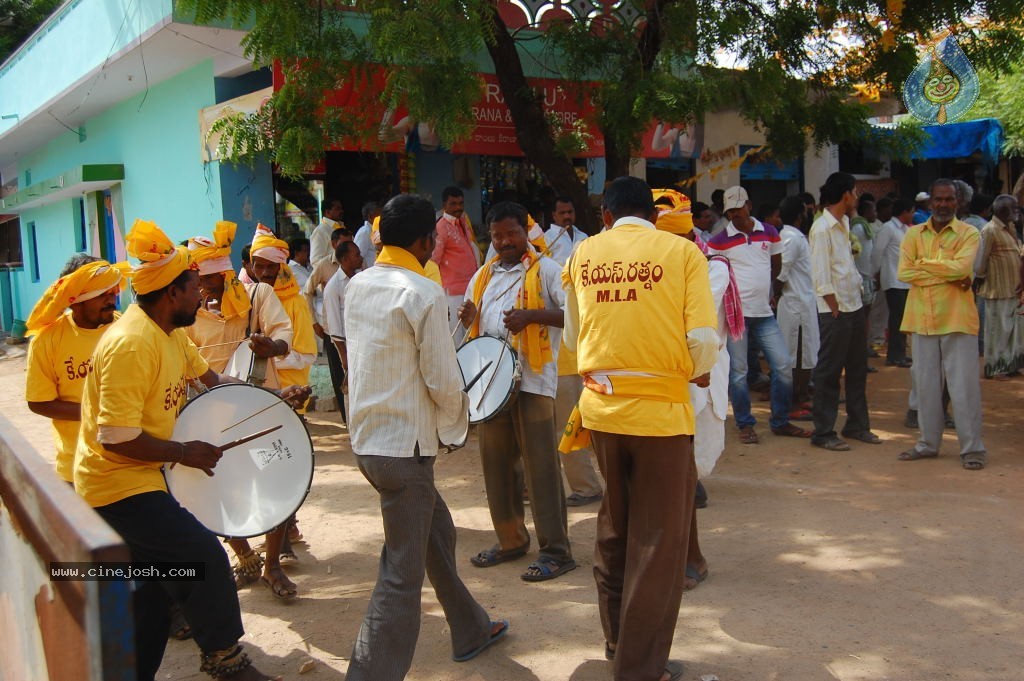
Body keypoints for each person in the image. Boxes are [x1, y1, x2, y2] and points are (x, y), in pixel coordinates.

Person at [74, 219, 301, 681]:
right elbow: (114, 437)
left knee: (157, 590)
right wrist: (183, 451)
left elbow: (214, 382)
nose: (203, 295)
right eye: (195, 287)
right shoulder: (132, 344)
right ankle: (224, 659)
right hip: (115, 486)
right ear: (171, 293)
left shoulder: (171, 333)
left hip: (147, 475)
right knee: (203, 557)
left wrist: (271, 402)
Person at [343, 194, 508, 681]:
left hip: (371, 443)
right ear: (424, 241)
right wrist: (458, 423)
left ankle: (471, 627)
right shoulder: (422, 291)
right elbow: (441, 376)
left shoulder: (359, 285)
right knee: (400, 575)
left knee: (437, 533)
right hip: (405, 451)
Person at [562, 176, 717, 681]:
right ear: (651, 216)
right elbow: (702, 341)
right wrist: (697, 367)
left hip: (601, 412)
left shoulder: (583, 254)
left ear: (606, 215)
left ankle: (616, 642)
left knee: (615, 525)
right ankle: (639, 668)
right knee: (658, 543)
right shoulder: (682, 253)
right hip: (662, 415)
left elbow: (571, 336)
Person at [458, 201, 575, 581]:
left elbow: (577, 315)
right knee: (496, 464)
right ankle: (510, 539)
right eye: (497, 235)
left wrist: (533, 316)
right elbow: (477, 324)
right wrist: (469, 318)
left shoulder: (548, 271)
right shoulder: (483, 276)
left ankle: (556, 550)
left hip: (533, 381)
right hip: (491, 383)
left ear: (526, 232)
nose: (505, 241)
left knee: (540, 465)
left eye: (512, 233)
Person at [185, 222, 298, 600]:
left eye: (209, 279)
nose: (203, 287)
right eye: (197, 280)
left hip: (261, 408)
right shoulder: (188, 313)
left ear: (222, 274)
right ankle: (245, 557)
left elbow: (285, 333)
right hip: (211, 415)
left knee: (275, 479)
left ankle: (273, 566)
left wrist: (274, 347)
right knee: (219, 487)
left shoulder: (258, 295)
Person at [897, 179, 987, 470]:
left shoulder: (970, 233)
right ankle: (927, 444)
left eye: (949, 199)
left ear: (958, 202)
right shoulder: (913, 235)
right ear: (930, 202)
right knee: (925, 386)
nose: (944, 204)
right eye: (938, 199)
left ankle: (972, 449)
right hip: (921, 319)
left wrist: (923, 265)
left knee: (964, 388)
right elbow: (903, 272)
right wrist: (948, 274)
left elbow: (963, 268)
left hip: (957, 319)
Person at [707, 185, 809, 443]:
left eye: (738, 209)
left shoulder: (770, 232)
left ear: (749, 206)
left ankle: (780, 420)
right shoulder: (718, 241)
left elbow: (776, 264)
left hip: (764, 313)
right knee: (739, 372)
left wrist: (770, 291)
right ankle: (745, 424)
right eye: (730, 211)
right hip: (737, 317)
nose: (735, 215)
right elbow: (712, 274)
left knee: (783, 366)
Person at [250, 224, 318, 570]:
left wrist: (270, 353)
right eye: (258, 266)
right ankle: (276, 535)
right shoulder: (241, 298)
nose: (264, 274)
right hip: (251, 399)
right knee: (261, 468)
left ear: (280, 268)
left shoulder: (294, 302)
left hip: (288, 399)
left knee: (284, 466)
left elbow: (306, 354)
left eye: (270, 268)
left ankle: (284, 532)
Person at [26, 254, 124, 482]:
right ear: (76, 300)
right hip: (77, 468)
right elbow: (38, 402)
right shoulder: (47, 340)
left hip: (132, 466)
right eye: (102, 294)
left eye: (113, 292)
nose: (112, 300)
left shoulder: (127, 329)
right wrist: (97, 413)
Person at [808, 172, 880, 451]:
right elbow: (821, 274)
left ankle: (857, 425)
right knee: (829, 371)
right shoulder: (822, 228)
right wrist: (835, 308)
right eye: (855, 192)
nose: (857, 197)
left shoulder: (844, 223)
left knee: (857, 368)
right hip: (834, 310)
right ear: (846, 194)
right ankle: (823, 431)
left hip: (853, 305)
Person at [542, 196, 603, 507]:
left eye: (570, 211)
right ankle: (537, 489)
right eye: (561, 212)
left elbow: (571, 311)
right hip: (535, 363)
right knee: (540, 431)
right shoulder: (542, 247)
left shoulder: (561, 262)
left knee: (569, 426)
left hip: (565, 358)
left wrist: (531, 315)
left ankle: (586, 487)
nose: (567, 216)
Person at [302, 227, 351, 421]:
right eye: (343, 244)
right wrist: (313, 321)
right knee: (339, 374)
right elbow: (307, 291)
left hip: (354, 328)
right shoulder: (324, 265)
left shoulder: (358, 263)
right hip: (332, 329)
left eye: (351, 244)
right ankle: (346, 418)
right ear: (333, 244)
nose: (348, 248)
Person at [776, 196, 819, 413]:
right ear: (799, 215)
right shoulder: (791, 239)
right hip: (796, 306)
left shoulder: (794, 237)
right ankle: (793, 401)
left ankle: (800, 396)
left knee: (805, 354)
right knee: (797, 355)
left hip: (803, 303)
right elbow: (781, 274)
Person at [974, 194, 1023, 379]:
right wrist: (981, 278)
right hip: (997, 289)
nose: (1017, 211)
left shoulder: (1010, 228)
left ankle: (1010, 365)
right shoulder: (989, 230)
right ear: (1002, 210)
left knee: (1013, 330)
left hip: (1014, 289)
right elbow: (980, 262)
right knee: (997, 331)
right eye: (1014, 208)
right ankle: (994, 368)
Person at [322, 240, 364, 411]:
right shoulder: (333, 287)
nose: (360, 258)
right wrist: (344, 357)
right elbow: (334, 327)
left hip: (365, 342)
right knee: (353, 394)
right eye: (357, 255)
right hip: (350, 346)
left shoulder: (361, 278)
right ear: (346, 259)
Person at [432, 186, 482, 331]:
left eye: (461, 203)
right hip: (453, 292)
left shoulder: (463, 221)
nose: (458, 207)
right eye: (453, 204)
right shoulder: (441, 227)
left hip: (469, 287)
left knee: (469, 331)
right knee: (456, 334)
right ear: (444, 205)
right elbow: (434, 261)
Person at [871, 198, 914, 367]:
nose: (912, 215)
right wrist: (875, 274)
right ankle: (895, 356)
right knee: (897, 318)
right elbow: (877, 252)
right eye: (911, 211)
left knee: (902, 318)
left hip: (904, 280)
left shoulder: (904, 229)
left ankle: (899, 352)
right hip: (893, 279)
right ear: (904, 212)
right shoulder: (888, 228)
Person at [310, 197, 345, 266]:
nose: (341, 211)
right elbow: (315, 261)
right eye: (338, 209)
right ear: (327, 212)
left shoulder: (342, 227)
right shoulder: (320, 231)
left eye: (341, 208)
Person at [352, 201, 380, 268]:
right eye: (378, 215)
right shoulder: (365, 232)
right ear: (370, 216)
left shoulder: (374, 230)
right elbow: (358, 258)